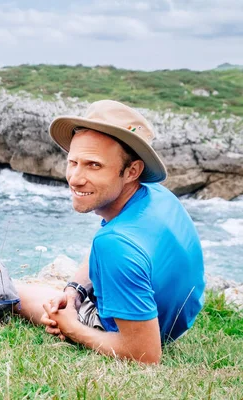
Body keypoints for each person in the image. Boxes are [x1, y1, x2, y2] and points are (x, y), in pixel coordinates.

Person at [16, 100, 205, 364]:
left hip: (136, 332)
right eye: (73, 162)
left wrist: (73, 328)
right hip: (172, 322)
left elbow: (146, 355)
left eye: (94, 165)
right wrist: (73, 291)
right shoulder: (157, 197)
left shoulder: (117, 244)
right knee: (58, 296)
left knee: (10, 291)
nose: (75, 178)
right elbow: (108, 248)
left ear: (132, 171)